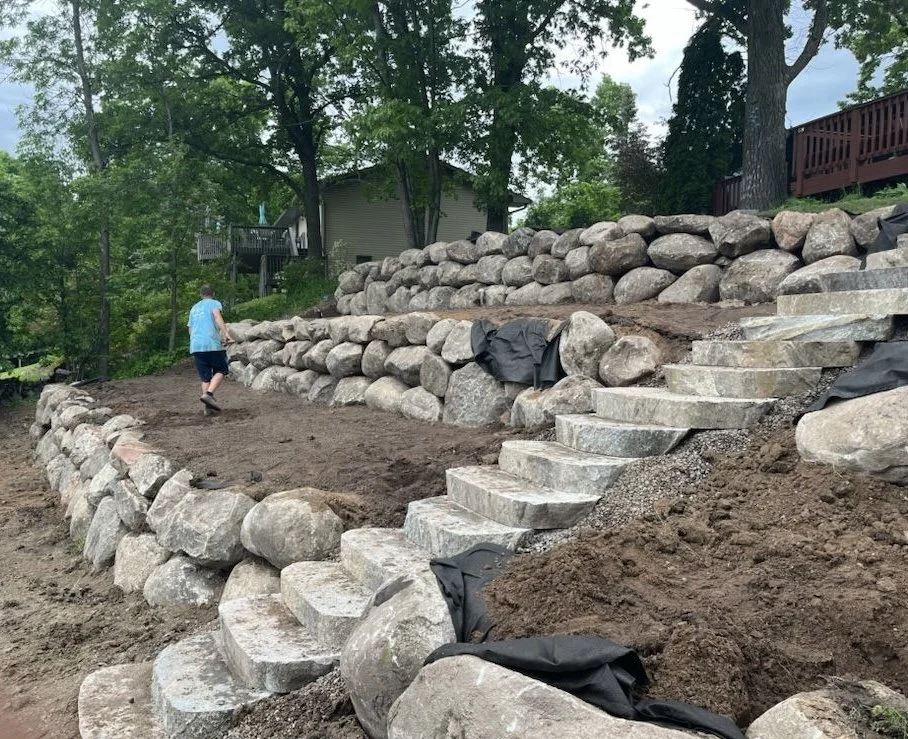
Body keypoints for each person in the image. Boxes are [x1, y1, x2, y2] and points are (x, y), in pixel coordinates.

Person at [188, 285, 232, 414]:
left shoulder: (194, 308)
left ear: (200, 294)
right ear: (213, 293)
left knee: (205, 377)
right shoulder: (214, 303)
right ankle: (208, 394)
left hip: (196, 346)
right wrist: (225, 333)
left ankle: (208, 407)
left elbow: (190, 329)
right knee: (221, 369)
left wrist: (196, 341)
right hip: (211, 343)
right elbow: (217, 316)